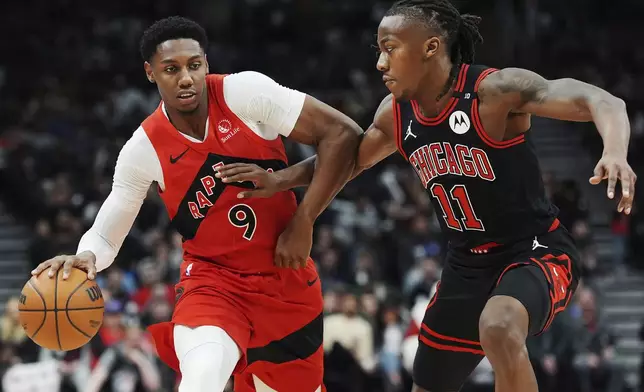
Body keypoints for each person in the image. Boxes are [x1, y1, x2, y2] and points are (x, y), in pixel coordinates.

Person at [214, 1, 637, 391]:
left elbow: (601, 100)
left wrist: (615, 151)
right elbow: (349, 162)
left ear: (431, 47)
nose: (380, 63)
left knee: (499, 325)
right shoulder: (395, 113)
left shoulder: (493, 93)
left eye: (390, 49)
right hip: (465, 265)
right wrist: (281, 180)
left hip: (533, 249)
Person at [31, 16, 362, 392]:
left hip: (286, 281)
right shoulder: (142, 149)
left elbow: (343, 135)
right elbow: (111, 224)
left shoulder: (244, 93)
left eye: (194, 65)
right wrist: (87, 255)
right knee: (202, 375)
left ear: (206, 62)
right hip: (212, 282)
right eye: (171, 69)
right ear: (150, 73)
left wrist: (304, 221)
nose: (185, 77)